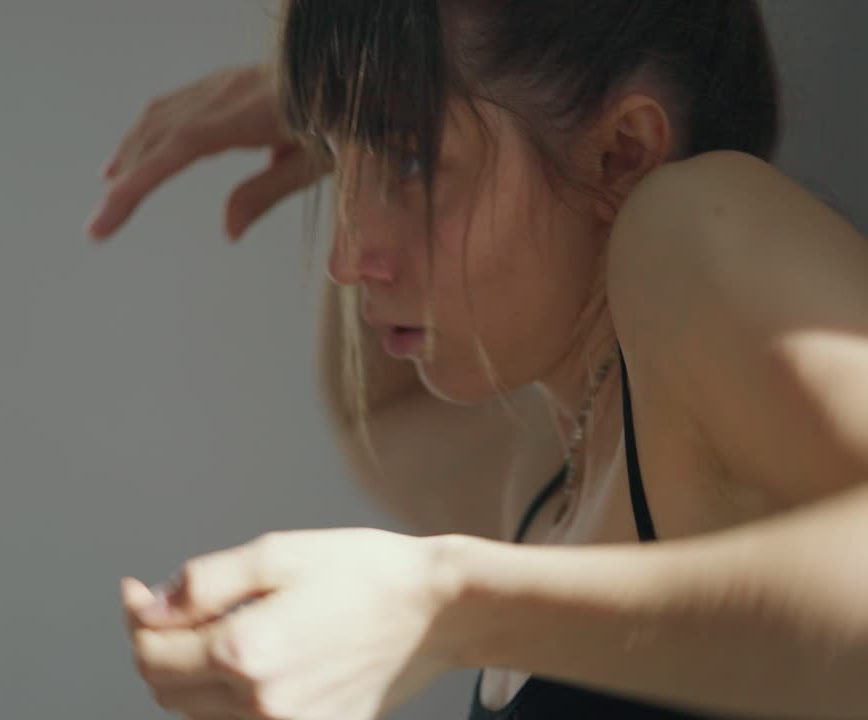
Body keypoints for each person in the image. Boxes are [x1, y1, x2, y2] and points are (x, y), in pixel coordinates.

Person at [91, 2, 868, 718]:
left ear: (622, 154)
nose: (346, 256)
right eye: (337, 155)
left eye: (413, 159)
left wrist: (450, 605)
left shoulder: (688, 218)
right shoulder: (563, 466)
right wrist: (349, 91)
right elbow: (387, 423)